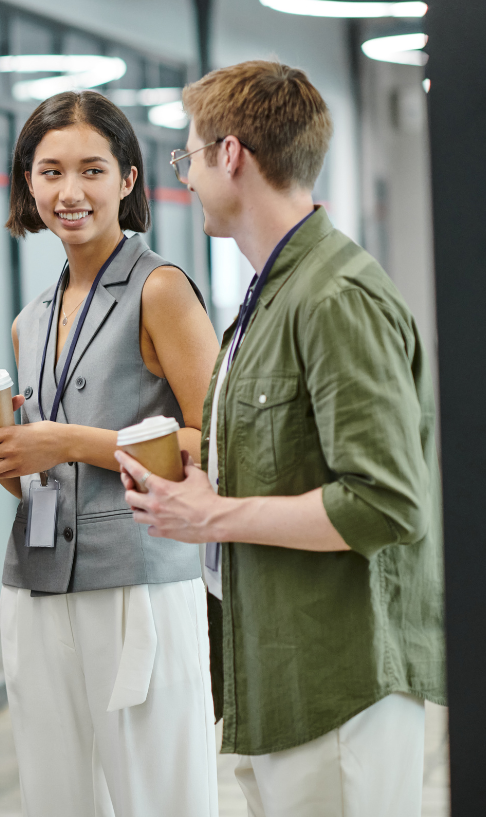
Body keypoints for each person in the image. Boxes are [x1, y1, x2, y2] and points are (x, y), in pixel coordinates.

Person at [118, 61, 445, 817]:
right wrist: (208, 461)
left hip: (338, 686)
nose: (188, 178)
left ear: (230, 155)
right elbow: (297, 453)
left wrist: (211, 517)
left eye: (189, 157)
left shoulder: (332, 297)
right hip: (276, 675)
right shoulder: (269, 294)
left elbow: (385, 502)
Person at [0, 91, 221, 817]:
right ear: (26, 184)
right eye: (49, 172)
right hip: (37, 585)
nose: (70, 192)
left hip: (138, 583)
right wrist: (2, 454)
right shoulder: (29, 320)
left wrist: (64, 439)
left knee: (159, 796)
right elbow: (43, 479)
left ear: (128, 180)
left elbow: (217, 445)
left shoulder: (159, 290)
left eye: (92, 170)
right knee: (57, 795)